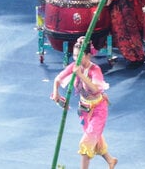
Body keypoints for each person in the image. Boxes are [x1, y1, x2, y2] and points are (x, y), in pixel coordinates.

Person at [51, 37, 118, 169]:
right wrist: (56, 93)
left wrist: (81, 75)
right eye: (75, 56)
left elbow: (96, 89)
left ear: (88, 55)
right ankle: (110, 160)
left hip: (98, 110)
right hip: (84, 110)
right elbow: (58, 79)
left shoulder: (95, 70)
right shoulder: (75, 66)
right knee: (95, 137)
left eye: (79, 56)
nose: (76, 59)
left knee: (86, 142)